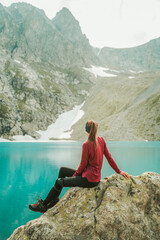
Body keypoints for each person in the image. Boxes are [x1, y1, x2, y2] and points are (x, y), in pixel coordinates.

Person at [29, 120, 130, 213]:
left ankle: (44, 205)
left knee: (59, 182)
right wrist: (119, 171)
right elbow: (109, 158)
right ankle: (55, 199)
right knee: (62, 170)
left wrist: (75, 176)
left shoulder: (87, 144)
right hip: (94, 177)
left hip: (89, 181)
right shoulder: (101, 140)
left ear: (86, 130)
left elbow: (82, 165)